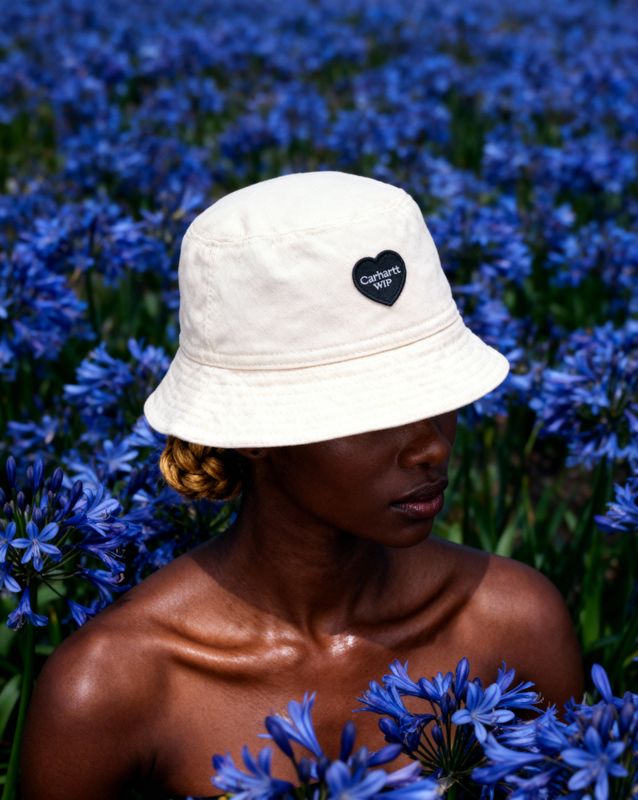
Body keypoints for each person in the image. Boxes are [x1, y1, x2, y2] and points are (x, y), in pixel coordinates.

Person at [20, 171, 583, 799]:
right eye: (374, 409)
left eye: (435, 397)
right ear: (253, 433)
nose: (431, 446)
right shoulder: (110, 689)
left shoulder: (517, 625)